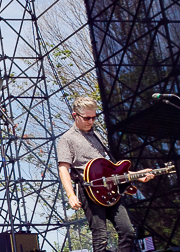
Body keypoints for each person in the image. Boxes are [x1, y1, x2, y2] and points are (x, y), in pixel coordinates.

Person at [56, 96, 154, 252]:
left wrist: (137, 175)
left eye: (94, 117)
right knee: (101, 237)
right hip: (89, 190)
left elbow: (110, 169)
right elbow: (63, 168)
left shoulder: (97, 136)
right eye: (87, 118)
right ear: (75, 115)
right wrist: (70, 195)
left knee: (128, 231)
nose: (91, 121)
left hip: (110, 189)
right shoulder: (66, 139)